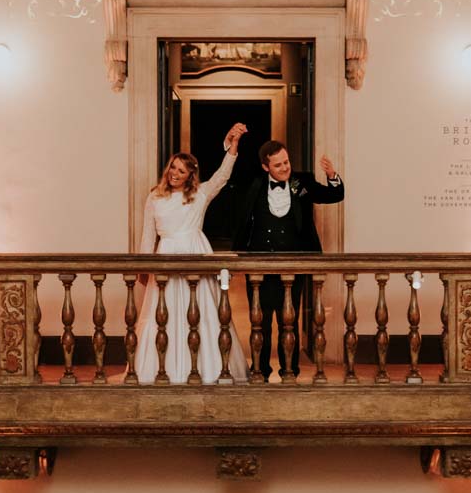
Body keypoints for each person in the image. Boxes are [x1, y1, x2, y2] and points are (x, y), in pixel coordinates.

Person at [133, 125, 249, 384]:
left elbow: (222, 176)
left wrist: (232, 145)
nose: (175, 174)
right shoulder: (154, 196)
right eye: (173, 168)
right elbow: (147, 235)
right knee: (165, 316)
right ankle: (164, 370)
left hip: (195, 254)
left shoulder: (200, 195)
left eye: (181, 171)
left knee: (201, 313)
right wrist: (143, 265)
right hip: (165, 256)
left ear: (190, 175)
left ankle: (206, 369)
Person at [233, 140, 345, 380]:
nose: (285, 168)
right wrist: (236, 260)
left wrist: (332, 175)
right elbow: (241, 218)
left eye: (286, 162)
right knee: (260, 324)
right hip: (259, 268)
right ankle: (260, 372)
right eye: (278, 164)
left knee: (290, 323)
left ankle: (289, 372)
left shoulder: (300, 182)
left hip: (295, 267)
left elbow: (334, 195)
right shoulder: (255, 184)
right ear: (266, 167)